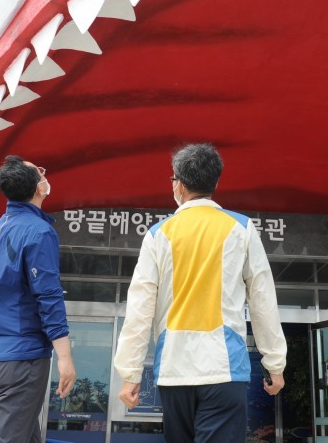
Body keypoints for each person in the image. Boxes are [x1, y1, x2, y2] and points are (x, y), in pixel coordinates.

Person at [113, 143, 287, 443]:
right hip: (224, 370)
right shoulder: (242, 228)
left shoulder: (158, 234)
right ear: (215, 183)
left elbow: (140, 309)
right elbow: (263, 300)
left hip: (174, 369)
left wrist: (130, 374)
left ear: (179, 184)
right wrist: (274, 364)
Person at [0, 155, 76, 443]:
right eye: (40, 172)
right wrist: (65, 357)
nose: (45, 174)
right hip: (22, 358)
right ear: (39, 188)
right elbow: (48, 295)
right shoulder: (38, 232)